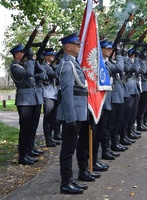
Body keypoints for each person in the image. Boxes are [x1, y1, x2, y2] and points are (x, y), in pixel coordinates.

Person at [56, 32, 89, 194]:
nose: (79, 46)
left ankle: (70, 180)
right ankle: (65, 183)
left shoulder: (73, 63)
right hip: (72, 114)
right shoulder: (67, 65)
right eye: (76, 44)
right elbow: (67, 93)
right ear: (68, 47)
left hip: (77, 112)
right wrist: (70, 118)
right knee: (68, 149)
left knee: (71, 147)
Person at [9, 44, 45, 165]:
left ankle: (30, 150)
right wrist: (30, 60)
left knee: (32, 127)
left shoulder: (25, 64)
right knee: (25, 129)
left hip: (34, 99)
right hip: (24, 101)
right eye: (22, 52)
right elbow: (29, 74)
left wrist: (33, 61)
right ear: (16, 55)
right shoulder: (14, 67)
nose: (25, 55)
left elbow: (43, 74)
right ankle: (23, 155)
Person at [41, 48, 60, 147]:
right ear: (46, 57)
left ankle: (51, 137)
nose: (53, 56)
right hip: (47, 94)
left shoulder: (51, 66)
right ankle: (48, 139)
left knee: (54, 117)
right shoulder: (44, 66)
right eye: (51, 55)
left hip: (54, 93)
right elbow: (55, 75)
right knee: (48, 117)